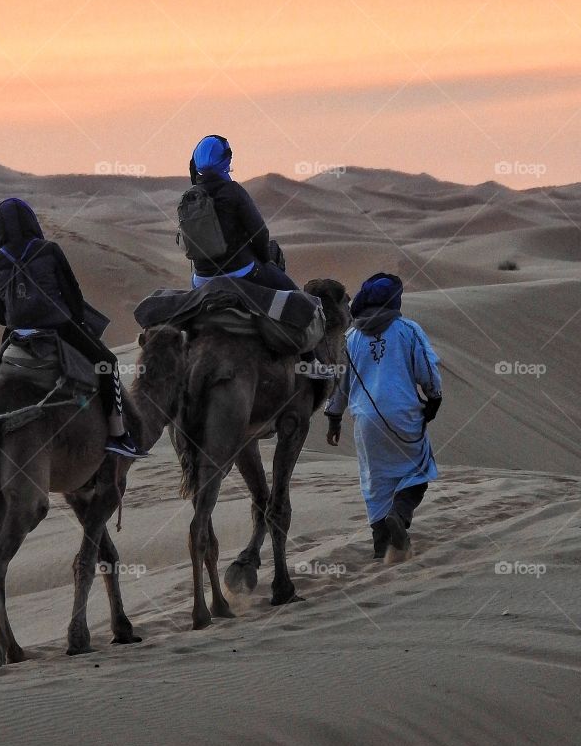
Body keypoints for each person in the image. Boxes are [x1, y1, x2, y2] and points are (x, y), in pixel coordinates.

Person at [0, 198, 145, 459]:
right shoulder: (48, 250)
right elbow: (72, 293)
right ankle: (118, 435)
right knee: (107, 362)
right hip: (58, 327)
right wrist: (77, 320)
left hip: (18, 333)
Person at [324, 272, 442, 558]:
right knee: (417, 472)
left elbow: (341, 383)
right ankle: (399, 516)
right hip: (404, 415)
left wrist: (334, 418)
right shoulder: (408, 330)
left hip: (365, 421)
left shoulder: (350, 338)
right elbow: (427, 370)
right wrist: (433, 400)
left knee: (375, 482)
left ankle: (382, 550)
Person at [186, 135, 297, 291]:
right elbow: (260, 232)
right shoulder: (233, 191)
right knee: (299, 299)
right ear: (225, 161)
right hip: (240, 272)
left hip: (201, 279)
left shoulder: (190, 197)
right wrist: (266, 261)